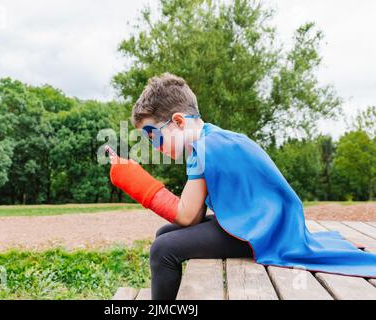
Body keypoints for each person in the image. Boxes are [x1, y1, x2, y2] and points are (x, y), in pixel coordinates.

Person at [107, 73, 376, 300]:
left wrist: (129, 176)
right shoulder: (209, 140)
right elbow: (195, 217)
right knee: (165, 233)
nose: (155, 146)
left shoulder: (205, 148)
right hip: (257, 223)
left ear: (178, 122)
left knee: (163, 249)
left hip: (264, 234)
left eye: (153, 136)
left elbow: (187, 216)